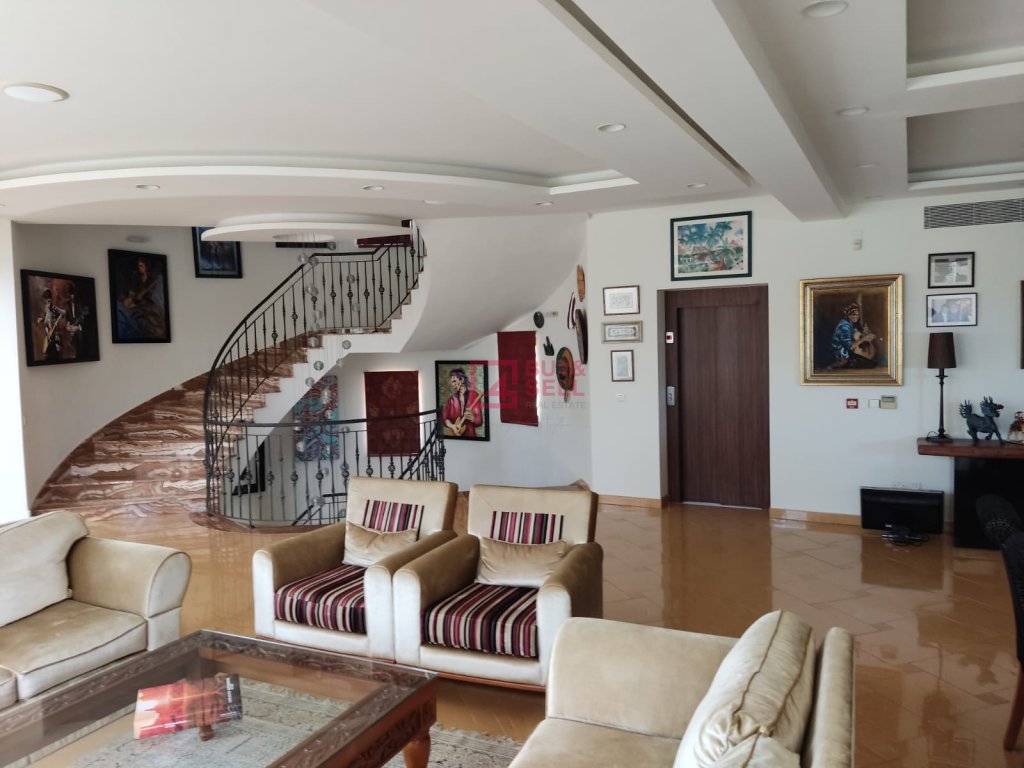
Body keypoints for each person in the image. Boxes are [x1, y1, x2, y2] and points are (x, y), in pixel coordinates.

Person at [117, 255, 166, 339]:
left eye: (141, 266)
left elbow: (154, 295)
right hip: (137, 301)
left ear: (146, 267)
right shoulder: (137, 278)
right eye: (138, 266)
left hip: (148, 303)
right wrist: (132, 297)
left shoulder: (153, 279)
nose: (139, 268)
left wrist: (144, 297)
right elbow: (132, 291)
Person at [829, 302, 877, 369]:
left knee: (872, 363)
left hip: (849, 354)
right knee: (870, 364)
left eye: (858, 315)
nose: (856, 317)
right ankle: (838, 366)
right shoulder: (844, 326)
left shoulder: (850, 324)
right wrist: (864, 339)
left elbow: (855, 336)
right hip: (842, 355)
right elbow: (850, 346)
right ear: (848, 315)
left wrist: (866, 333)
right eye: (854, 314)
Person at [442, 368, 483, 437]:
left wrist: (473, 419)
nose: (453, 384)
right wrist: (452, 426)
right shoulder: (451, 400)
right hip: (454, 436)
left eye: (454, 381)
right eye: (452, 382)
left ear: (462, 380)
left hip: (471, 436)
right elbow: (445, 418)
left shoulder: (474, 396)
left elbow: (479, 421)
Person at [37, 288, 65, 360]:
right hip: (48, 333)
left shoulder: (54, 307)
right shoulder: (46, 308)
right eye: (46, 301)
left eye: (49, 301)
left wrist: (56, 321)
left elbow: (63, 312)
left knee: (55, 354)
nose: (48, 303)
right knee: (46, 353)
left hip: (54, 334)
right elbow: (46, 317)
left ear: (51, 300)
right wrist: (41, 319)